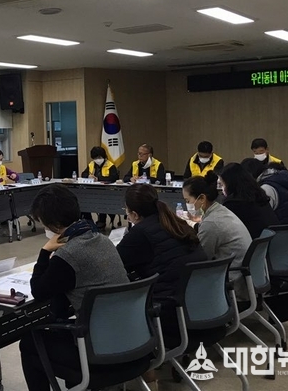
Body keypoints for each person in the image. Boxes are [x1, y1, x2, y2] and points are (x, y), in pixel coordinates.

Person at [19, 184, 130, 391]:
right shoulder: (102, 240)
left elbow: (38, 291)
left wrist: (44, 252)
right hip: (131, 338)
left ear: (54, 225)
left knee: (30, 342)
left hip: (99, 349)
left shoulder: (68, 255)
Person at [117, 184, 207, 348]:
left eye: (127, 212)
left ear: (134, 214)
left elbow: (114, 266)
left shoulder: (140, 233)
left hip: (168, 312)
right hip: (200, 304)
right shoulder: (177, 222)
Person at [182, 172, 252, 299]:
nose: (187, 204)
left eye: (188, 201)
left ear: (202, 198)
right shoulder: (220, 211)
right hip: (243, 275)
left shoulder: (211, 223)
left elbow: (201, 258)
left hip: (232, 281)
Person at [218, 163, 277, 239]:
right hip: (273, 241)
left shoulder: (233, 204)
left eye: (222, 185)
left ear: (230, 184)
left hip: (253, 243)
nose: (222, 190)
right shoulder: (259, 195)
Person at [81, 146, 119, 230]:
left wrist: (98, 178)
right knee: (83, 200)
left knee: (102, 200)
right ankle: (88, 220)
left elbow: (114, 177)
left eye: (99, 157)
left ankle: (102, 220)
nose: (97, 159)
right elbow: (83, 174)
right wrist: (88, 176)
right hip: (92, 190)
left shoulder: (110, 165)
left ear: (104, 156)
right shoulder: (91, 164)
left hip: (107, 191)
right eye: (95, 158)